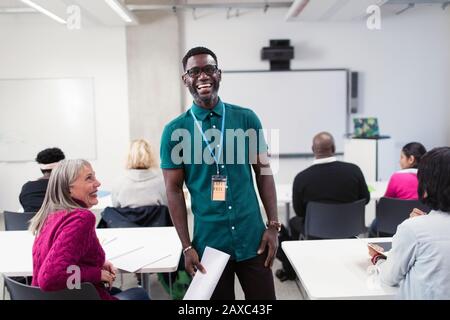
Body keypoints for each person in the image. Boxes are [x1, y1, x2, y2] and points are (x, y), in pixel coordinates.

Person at [160, 46, 278, 300]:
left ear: (219, 74)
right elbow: (173, 190)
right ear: (186, 79)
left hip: (253, 239)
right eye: (194, 71)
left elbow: (264, 174)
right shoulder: (174, 131)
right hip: (209, 245)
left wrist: (274, 226)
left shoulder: (246, 119)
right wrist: (187, 246)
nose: (202, 76)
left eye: (209, 69)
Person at [29, 159, 149, 300]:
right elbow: (50, 278)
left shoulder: (50, 216)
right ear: (68, 189)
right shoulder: (81, 218)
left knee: (116, 290)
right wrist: (96, 274)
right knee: (139, 293)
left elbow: (63, 254)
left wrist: (98, 264)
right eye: (89, 178)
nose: (98, 183)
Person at [276, 132, 370, 281]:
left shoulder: (302, 178)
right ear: (333, 147)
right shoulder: (354, 170)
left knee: (294, 222)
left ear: (313, 149)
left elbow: (299, 212)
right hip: (349, 229)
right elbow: (366, 199)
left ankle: (290, 270)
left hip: (315, 231)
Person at [368, 147, 450, 299]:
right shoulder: (418, 228)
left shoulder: (413, 229)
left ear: (428, 185)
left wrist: (377, 259)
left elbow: (389, 278)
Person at [368, 142, 427, 237]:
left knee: (373, 226)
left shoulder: (397, 177)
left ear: (411, 159)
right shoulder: (428, 178)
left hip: (394, 224)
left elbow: (385, 205)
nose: (399, 161)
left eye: (402, 157)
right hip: (421, 224)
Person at [112, 139, 167, 208]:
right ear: (151, 156)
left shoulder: (119, 183)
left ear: (128, 156)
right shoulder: (162, 182)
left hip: (127, 218)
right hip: (157, 218)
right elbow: (168, 208)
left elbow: (116, 208)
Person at [19, 147, 65, 212]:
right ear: (62, 167)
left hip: (30, 221)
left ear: (41, 169)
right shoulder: (66, 186)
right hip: (59, 221)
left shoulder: (27, 187)